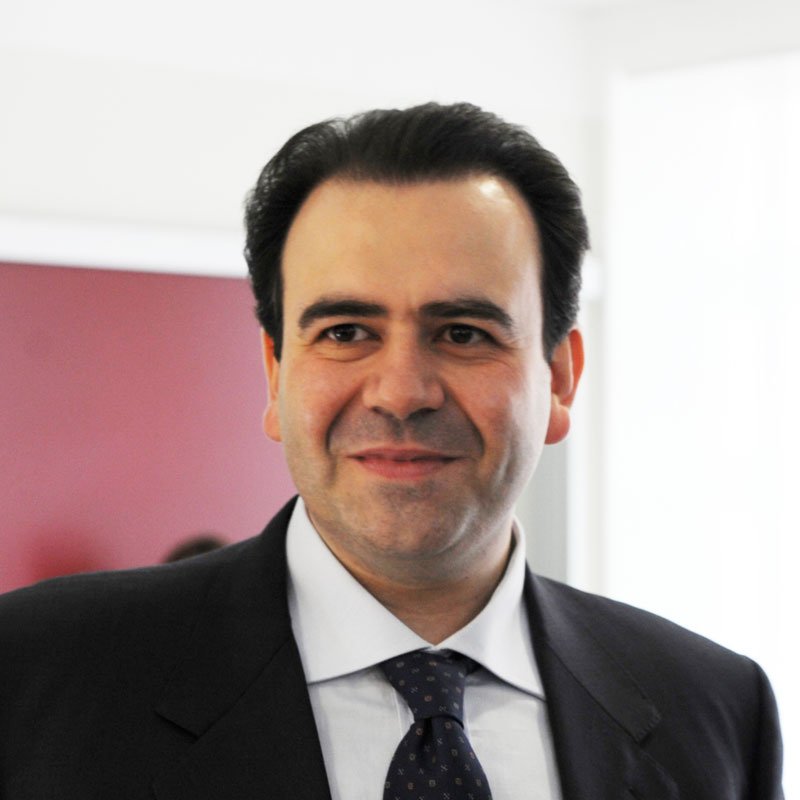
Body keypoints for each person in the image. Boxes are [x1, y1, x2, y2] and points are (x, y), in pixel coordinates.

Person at [0, 103, 783, 799]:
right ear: (275, 373)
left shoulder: (713, 709)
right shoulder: (34, 677)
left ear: (559, 377)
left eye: (464, 333)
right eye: (346, 332)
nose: (402, 392)